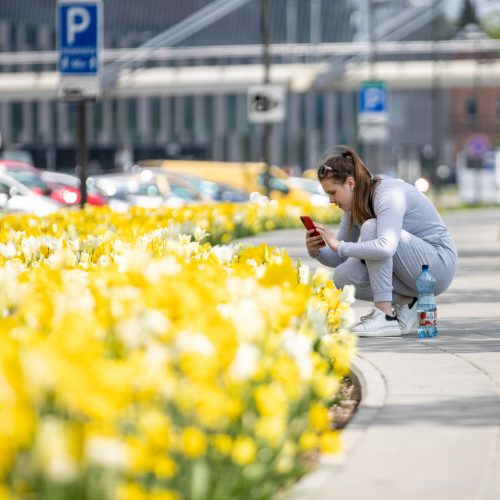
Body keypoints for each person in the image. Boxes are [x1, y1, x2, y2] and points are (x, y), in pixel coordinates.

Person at [305, 145, 457, 337]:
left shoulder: (387, 194)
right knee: (343, 276)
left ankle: (384, 315)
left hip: (438, 265)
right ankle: (406, 301)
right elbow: (339, 258)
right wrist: (317, 251)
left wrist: (339, 245)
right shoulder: (353, 207)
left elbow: (385, 247)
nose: (330, 200)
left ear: (350, 183)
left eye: (333, 192)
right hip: (412, 269)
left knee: (371, 227)